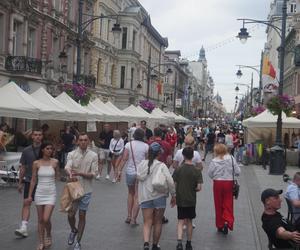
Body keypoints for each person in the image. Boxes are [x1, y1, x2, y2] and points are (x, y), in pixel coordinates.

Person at [137, 142, 176, 250]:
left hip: (146, 197)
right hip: (159, 197)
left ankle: (146, 243)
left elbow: (138, 177)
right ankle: (155, 244)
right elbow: (170, 181)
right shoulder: (162, 165)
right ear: (159, 154)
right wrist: (173, 195)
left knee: (147, 222)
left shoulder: (141, 164)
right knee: (158, 222)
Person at [65, 133, 98, 250]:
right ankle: (73, 230)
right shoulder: (71, 154)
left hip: (86, 190)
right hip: (74, 188)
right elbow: (68, 166)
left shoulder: (93, 155)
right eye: (81, 140)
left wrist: (80, 173)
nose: (83, 142)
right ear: (77, 142)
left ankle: (78, 242)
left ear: (88, 141)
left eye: (85, 140)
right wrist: (69, 172)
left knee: (82, 215)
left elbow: (94, 174)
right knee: (70, 214)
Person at [25, 141, 59, 250]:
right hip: (39, 192)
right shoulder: (36, 163)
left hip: (51, 193)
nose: (50, 150)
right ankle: (41, 241)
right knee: (40, 219)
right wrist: (30, 196)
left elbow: (57, 177)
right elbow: (33, 180)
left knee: (46, 218)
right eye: (48, 148)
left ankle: (48, 234)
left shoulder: (55, 162)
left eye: (51, 149)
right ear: (43, 150)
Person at [173, 147, 203, 250]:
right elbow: (199, 188)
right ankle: (189, 243)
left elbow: (174, 185)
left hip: (181, 198)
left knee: (181, 220)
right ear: (193, 156)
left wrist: (174, 196)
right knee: (190, 221)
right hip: (191, 199)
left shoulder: (178, 169)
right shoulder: (197, 170)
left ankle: (179, 242)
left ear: (183, 156)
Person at [15, 129, 43, 238]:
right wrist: (20, 182)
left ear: (42, 136)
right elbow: (23, 167)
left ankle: (41, 224)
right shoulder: (26, 151)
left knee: (40, 206)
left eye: (39, 135)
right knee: (26, 203)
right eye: (35, 135)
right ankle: (24, 227)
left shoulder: (46, 149)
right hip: (29, 181)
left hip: (42, 182)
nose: (37, 137)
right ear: (32, 137)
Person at [117, 128, 149, 225]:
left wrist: (119, 171)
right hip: (140, 173)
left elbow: (124, 158)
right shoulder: (146, 146)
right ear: (143, 136)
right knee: (137, 196)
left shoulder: (128, 144)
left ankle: (129, 216)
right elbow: (147, 161)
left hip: (130, 172)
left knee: (130, 193)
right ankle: (134, 219)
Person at [208, 143, 240, 234]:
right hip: (229, 183)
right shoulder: (231, 158)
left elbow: (210, 173)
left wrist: (216, 176)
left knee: (218, 204)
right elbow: (238, 171)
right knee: (228, 203)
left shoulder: (214, 161)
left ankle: (220, 224)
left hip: (218, 183)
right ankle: (227, 221)